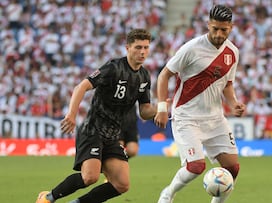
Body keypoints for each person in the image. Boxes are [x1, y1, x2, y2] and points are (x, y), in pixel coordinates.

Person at [36, 28, 157, 203]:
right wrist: (71, 114)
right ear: (127, 48)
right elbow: (81, 87)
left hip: (113, 136)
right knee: (90, 177)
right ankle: (47, 198)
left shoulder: (144, 76)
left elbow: (144, 111)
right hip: (93, 130)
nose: (143, 52)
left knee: (122, 184)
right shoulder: (113, 67)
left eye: (146, 47)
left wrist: (161, 108)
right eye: (138, 47)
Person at [154, 5, 246, 203]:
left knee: (233, 168)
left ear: (231, 27)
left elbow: (227, 85)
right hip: (187, 117)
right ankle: (168, 194)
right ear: (208, 25)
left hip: (215, 118)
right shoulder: (191, 48)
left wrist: (234, 103)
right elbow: (164, 76)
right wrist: (162, 108)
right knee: (196, 166)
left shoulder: (233, 52)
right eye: (215, 29)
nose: (219, 34)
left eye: (224, 29)